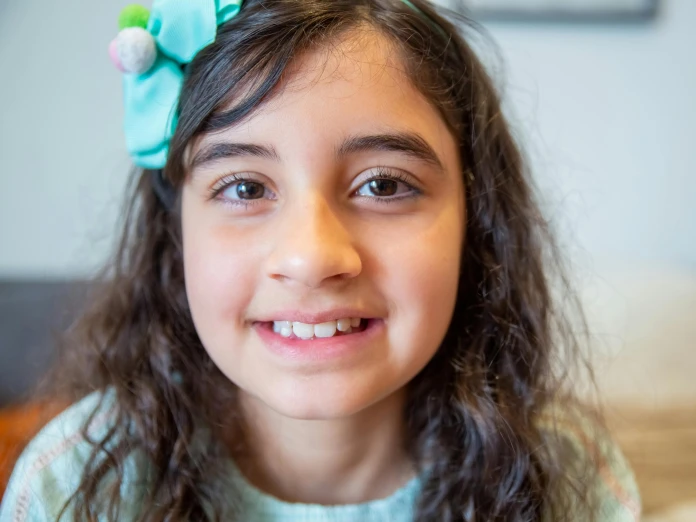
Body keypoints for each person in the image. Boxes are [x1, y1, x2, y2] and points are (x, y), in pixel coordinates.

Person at [0, 0, 640, 520]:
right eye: (246, 188)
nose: (311, 258)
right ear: (177, 233)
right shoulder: (81, 485)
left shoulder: (565, 481)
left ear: (478, 221)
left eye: (383, 185)